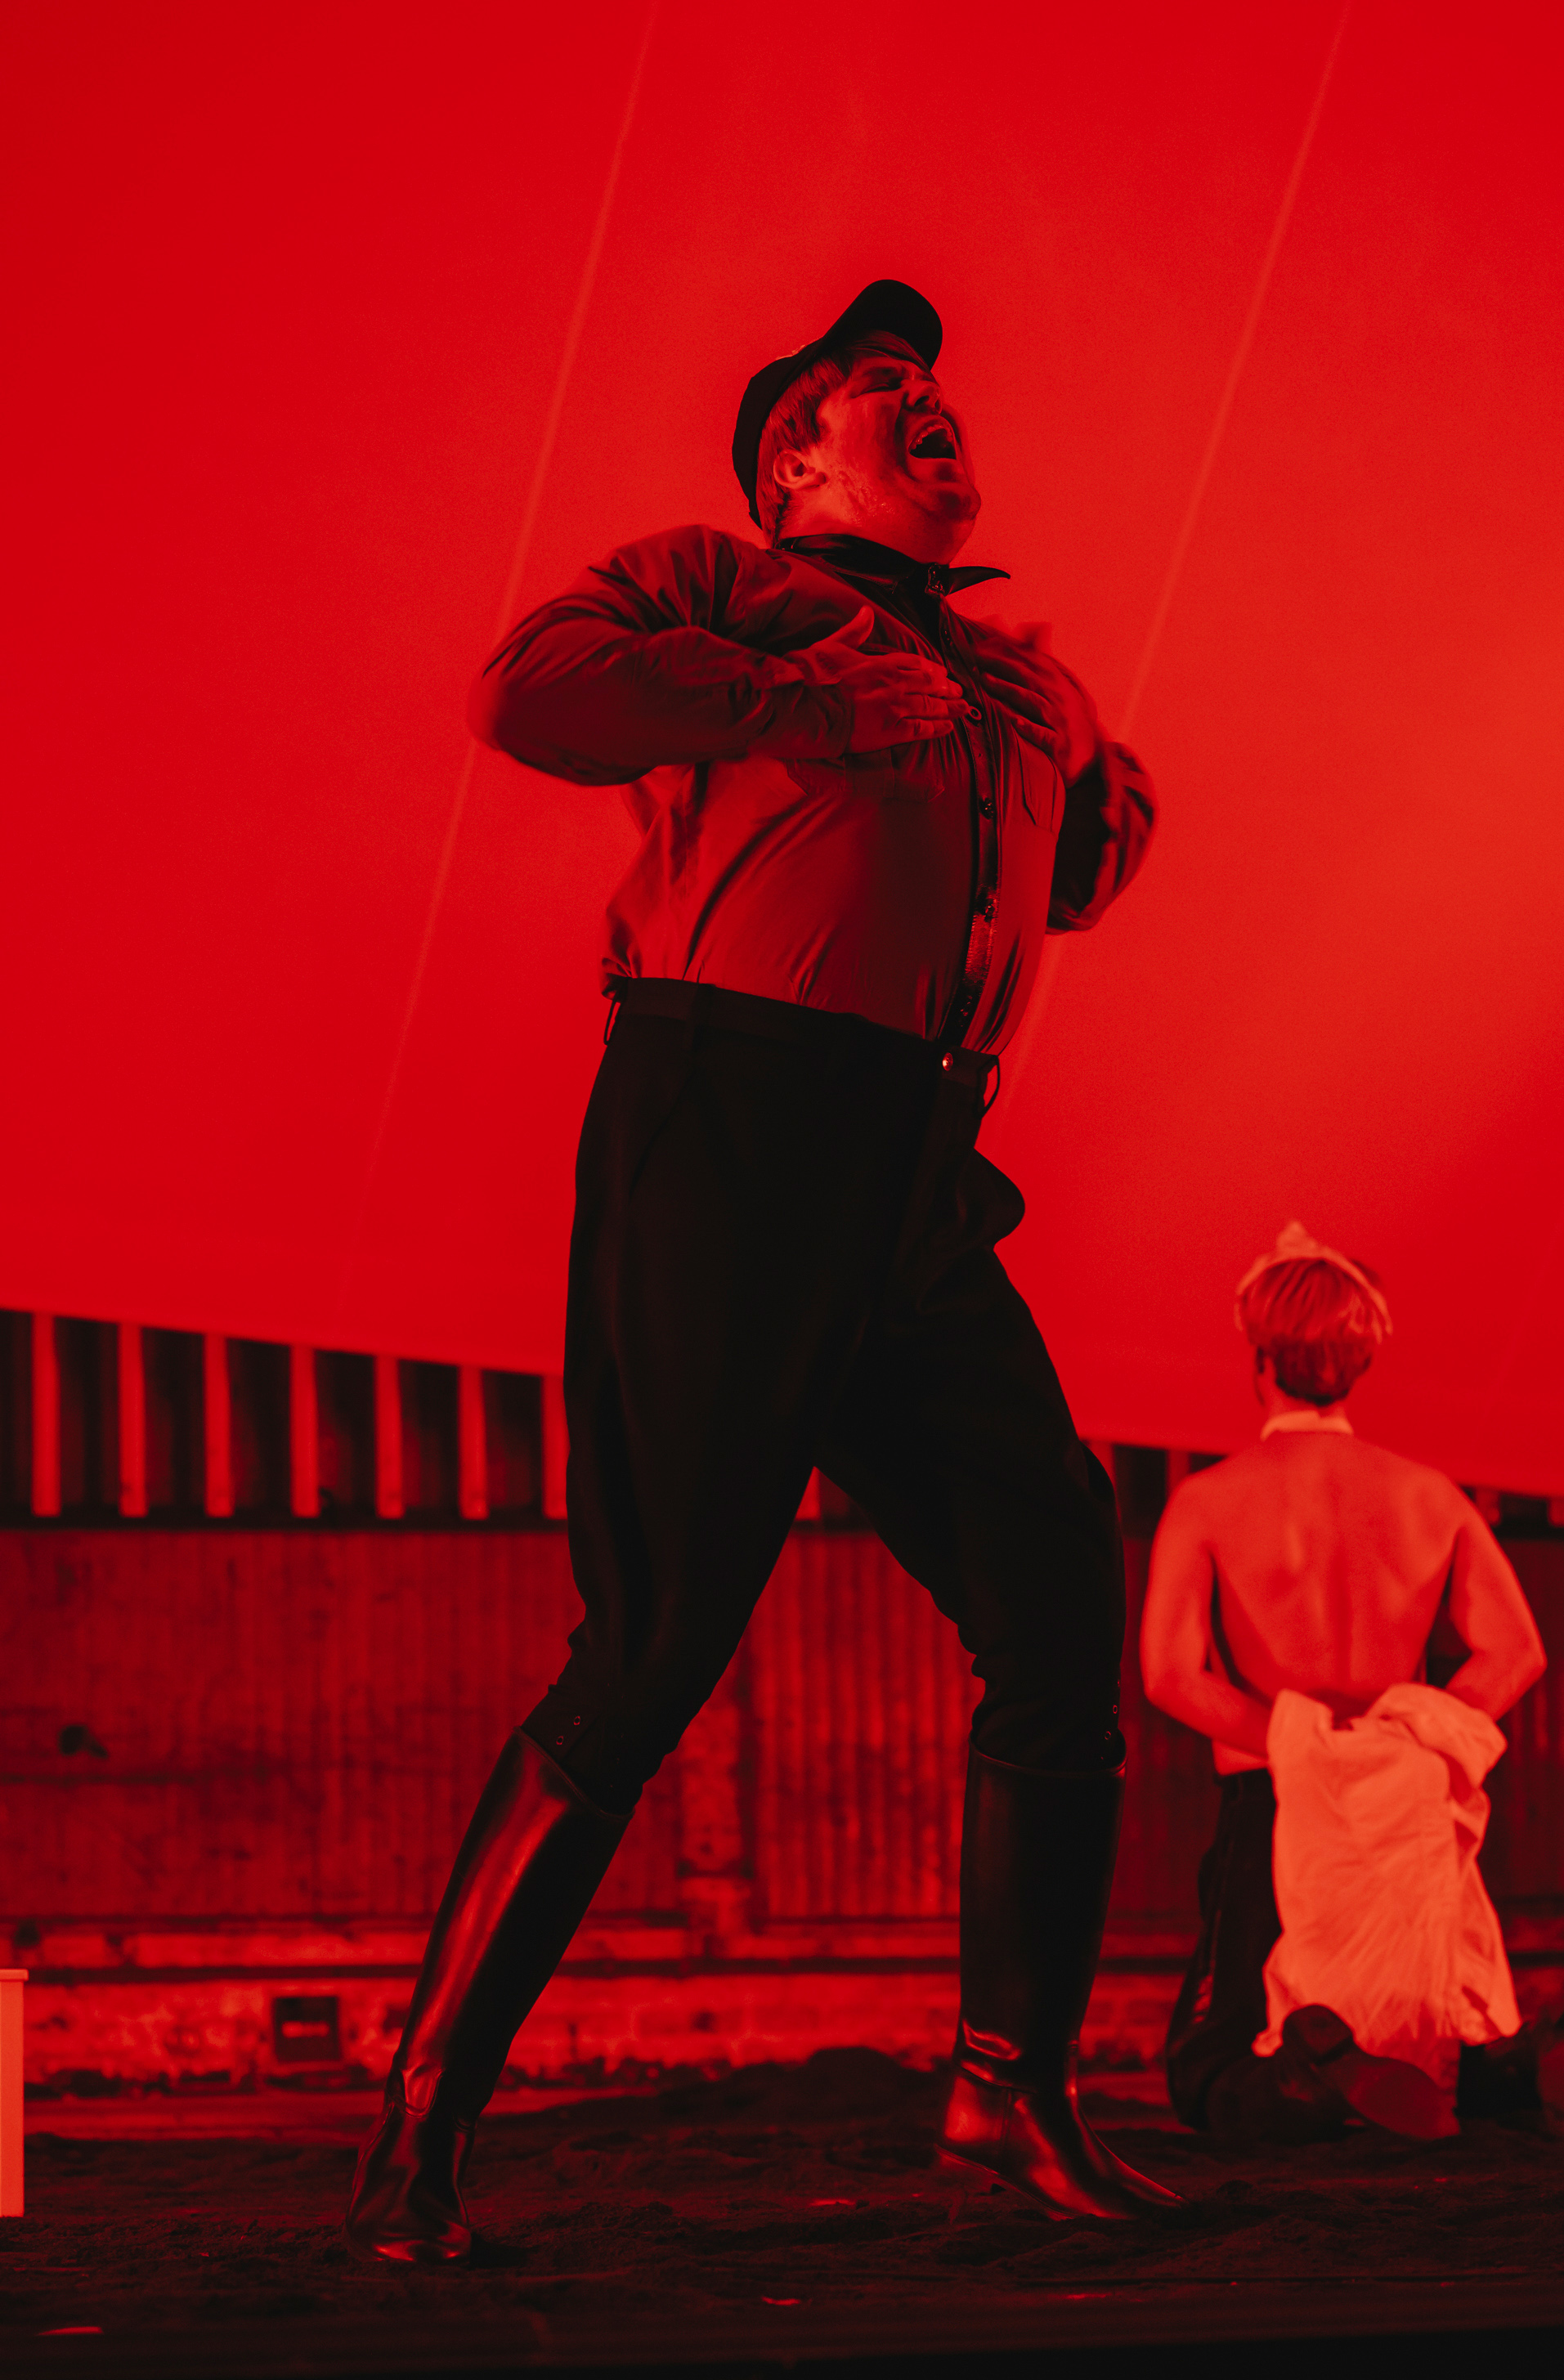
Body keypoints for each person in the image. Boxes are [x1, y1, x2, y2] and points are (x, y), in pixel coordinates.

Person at [347, 277, 1174, 2261]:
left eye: (931, 380)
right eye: (871, 382)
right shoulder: (726, 579)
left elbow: (1065, 883)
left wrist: (1090, 768)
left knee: (1059, 1591)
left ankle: (1007, 2088)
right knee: (651, 1647)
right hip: (726, 1131)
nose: (922, 392)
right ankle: (414, 2137)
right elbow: (528, 691)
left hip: (914, 1168)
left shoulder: (1015, 682)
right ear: (795, 458)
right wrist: (800, 698)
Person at [1141, 1221, 1564, 2150]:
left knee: (1208, 2063)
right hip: (1404, 1796)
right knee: (1430, 2016)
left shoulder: (1208, 1500)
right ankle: (1527, 2062)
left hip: (1274, 1793)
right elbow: (1515, 1652)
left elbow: (1168, 1674)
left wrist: (1305, 1747)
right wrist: (1402, 1739)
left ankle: (1313, 2073)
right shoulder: (1428, 1495)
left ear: (1259, 1361)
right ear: (1358, 1363)